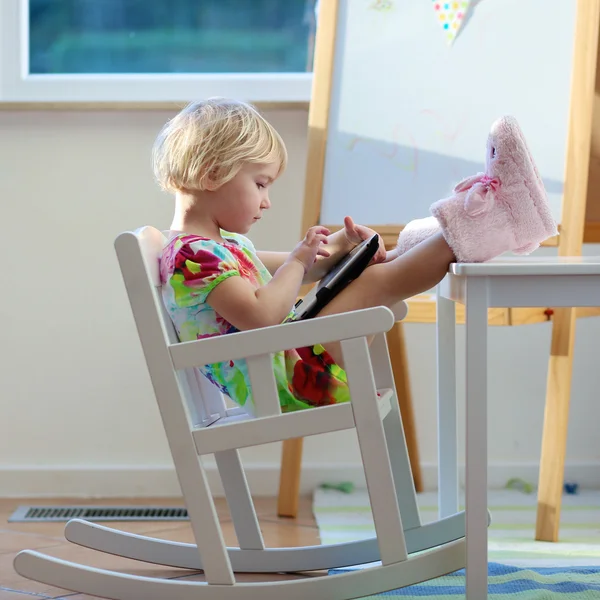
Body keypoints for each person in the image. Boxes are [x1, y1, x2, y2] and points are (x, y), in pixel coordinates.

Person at [155, 98, 556, 413]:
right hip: (288, 377)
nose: (266, 202)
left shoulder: (212, 249)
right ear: (211, 175)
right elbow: (262, 317)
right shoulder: (194, 259)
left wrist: (343, 252)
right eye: (260, 184)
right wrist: (298, 261)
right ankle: (498, 215)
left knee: (376, 271)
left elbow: (307, 271)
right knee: (377, 284)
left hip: (286, 363)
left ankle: (465, 225)